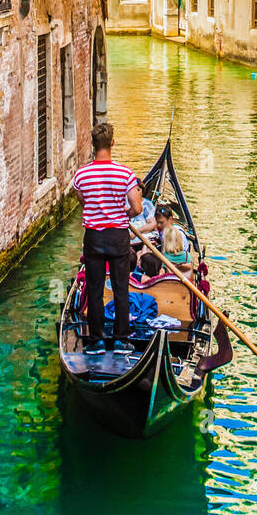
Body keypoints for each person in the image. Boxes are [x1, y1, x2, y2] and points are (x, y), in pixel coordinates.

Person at [72, 122, 143, 356]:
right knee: (121, 288)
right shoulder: (125, 174)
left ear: (93, 145)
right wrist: (125, 213)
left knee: (94, 289)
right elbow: (137, 207)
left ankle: (96, 341)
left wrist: (98, 210)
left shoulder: (81, 175)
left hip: (93, 237)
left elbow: (83, 201)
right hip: (117, 236)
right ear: (112, 143)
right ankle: (121, 340)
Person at [154, 204, 192, 275]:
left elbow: (180, 252)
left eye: (161, 222)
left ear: (170, 219)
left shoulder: (178, 233)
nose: (158, 225)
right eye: (157, 222)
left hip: (176, 264)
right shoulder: (163, 231)